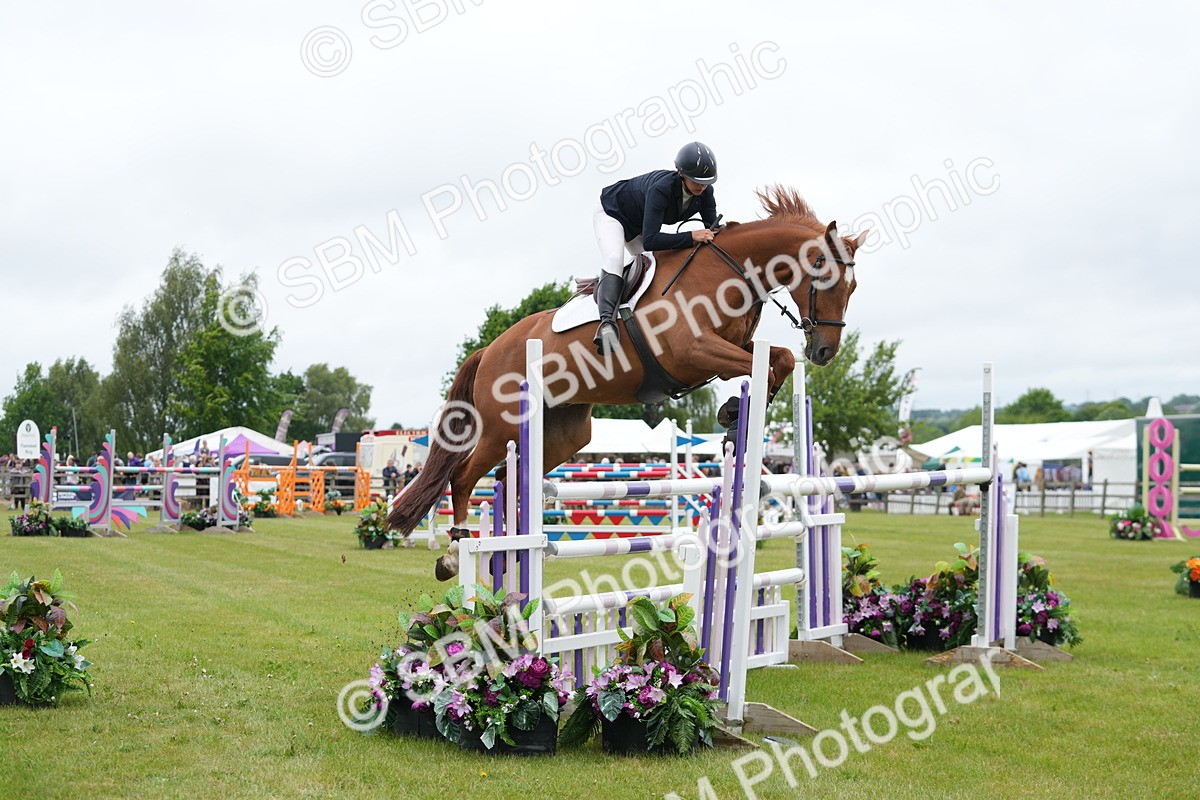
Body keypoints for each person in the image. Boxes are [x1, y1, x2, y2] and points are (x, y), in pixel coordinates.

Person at [592, 141, 720, 354]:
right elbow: (651, 240)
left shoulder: (706, 193)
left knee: (657, 266)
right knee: (614, 258)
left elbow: (712, 229)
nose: (702, 186)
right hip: (613, 213)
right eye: (697, 181)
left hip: (640, 225)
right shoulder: (662, 188)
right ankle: (607, 324)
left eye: (706, 182)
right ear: (681, 174)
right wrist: (691, 236)